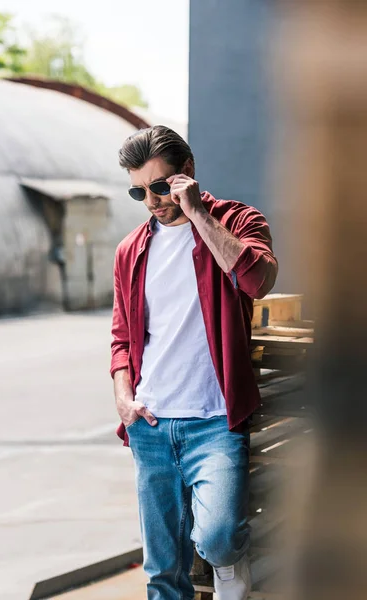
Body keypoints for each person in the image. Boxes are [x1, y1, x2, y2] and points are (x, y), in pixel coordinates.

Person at [110, 125, 278, 600]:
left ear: (187, 174)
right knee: (163, 570)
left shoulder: (239, 221)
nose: (151, 201)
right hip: (151, 421)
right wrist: (124, 398)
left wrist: (198, 212)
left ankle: (230, 566)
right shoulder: (131, 250)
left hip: (214, 421)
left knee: (219, 540)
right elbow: (122, 335)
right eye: (138, 191)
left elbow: (256, 280)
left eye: (160, 186)